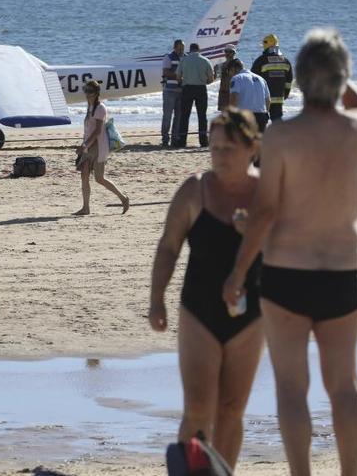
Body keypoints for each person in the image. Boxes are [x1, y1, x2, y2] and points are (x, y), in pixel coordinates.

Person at [223, 29, 357, 476]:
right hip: (342, 271)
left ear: (300, 80)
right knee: (344, 385)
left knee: (292, 387)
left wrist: (237, 272)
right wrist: (337, 75)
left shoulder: (281, 137)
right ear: (340, 78)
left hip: (287, 272)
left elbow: (266, 213)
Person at [149, 107, 264, 468]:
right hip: (199, 310)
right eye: (214, 148)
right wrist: (157, 300)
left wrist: (256, 234)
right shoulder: (194, 190)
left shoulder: (267, 193)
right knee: (198, 408)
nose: (220, 156)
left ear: (253, 148)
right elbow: (168, 246)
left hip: (251, 315)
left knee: (231, 410)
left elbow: (291, 251)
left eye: (228, 149)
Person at [73, 80, 129, 216]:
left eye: (90, 92)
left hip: (97, 145)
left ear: (97, 92)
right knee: (84, 175)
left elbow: (97, 131)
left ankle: (123, 198)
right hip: (88, 145)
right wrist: (83, 144)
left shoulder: (100, 108)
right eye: (86, 91)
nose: (87, 94)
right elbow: (89, 129)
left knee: (99, 178)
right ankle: (85, 208)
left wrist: (85, 145)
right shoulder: (90, 107)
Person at [176, 43, 215, 148]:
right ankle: (203, 141)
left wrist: (182, 82)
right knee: (202, 116)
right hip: (201, 89)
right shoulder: (205, 60)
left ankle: (182, 141)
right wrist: (204, 81)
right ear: (199, 49)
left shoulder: (184, 60)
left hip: (187, 88)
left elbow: (178, 76)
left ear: (190, 49)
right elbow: (211, 78)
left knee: (185, 115)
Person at [252, 34, 293, 123]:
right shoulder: (286, 61)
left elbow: (253, 80)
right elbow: (289, 82)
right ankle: (280, 136)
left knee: (261, 122)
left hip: (263, 99)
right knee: (277, 121)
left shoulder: (260, 60)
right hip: (279, 98)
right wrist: (285, 94)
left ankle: (263, 136)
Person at [227, 59, 271, 132]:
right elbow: (268, 100)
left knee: (243, 142)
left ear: (233, 69)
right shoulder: (261, 79)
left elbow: (234, 98)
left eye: (229, 72)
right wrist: (265, 114)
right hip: (261, 116)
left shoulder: (236, 78)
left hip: (244, 116)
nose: (230, 75)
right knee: (259, 142)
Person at [161, 39, 185, 148]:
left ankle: (175, 139)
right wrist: (178, 76)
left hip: (182, 91)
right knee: (167, 116)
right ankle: (165, 139)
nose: (181, 50)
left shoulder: (186, 57)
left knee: (179, 117)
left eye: (182, 48)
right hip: (170, 90)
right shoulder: (168, 57)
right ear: (174, 47)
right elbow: (165, 72)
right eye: (179, 48)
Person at [217, 44, 240, 111]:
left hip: (234, 93)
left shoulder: (237, 64)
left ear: (234, 53)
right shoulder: (222, 65)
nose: (227, 53)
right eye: (226, 51)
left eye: (230, 51)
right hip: (224, 93)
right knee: (224, 116)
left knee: (234, 115)